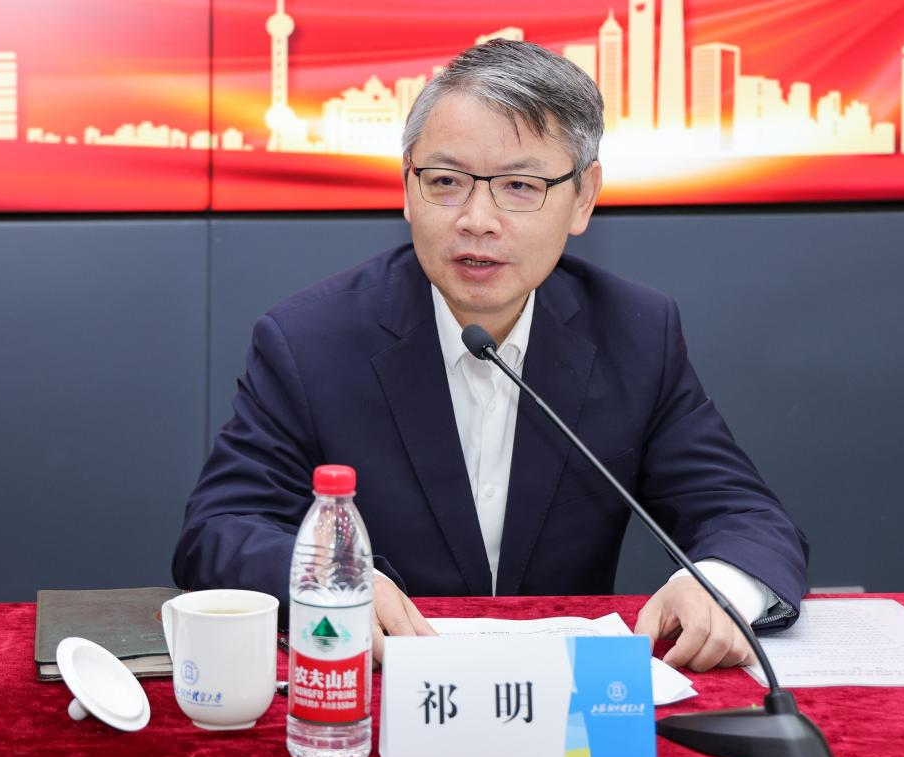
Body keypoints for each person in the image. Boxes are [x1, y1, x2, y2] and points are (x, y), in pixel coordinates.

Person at [173, 39, 808, 672]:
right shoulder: (311, 340)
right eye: (446, 182)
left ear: (583, 197)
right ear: (408, 187)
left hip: (565, 701)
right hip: (388, 687)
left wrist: (718, 585)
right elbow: (221, 529)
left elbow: (742, 514)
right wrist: (333, 582)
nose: (477, 219)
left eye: (520, 186)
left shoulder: (635, 334)